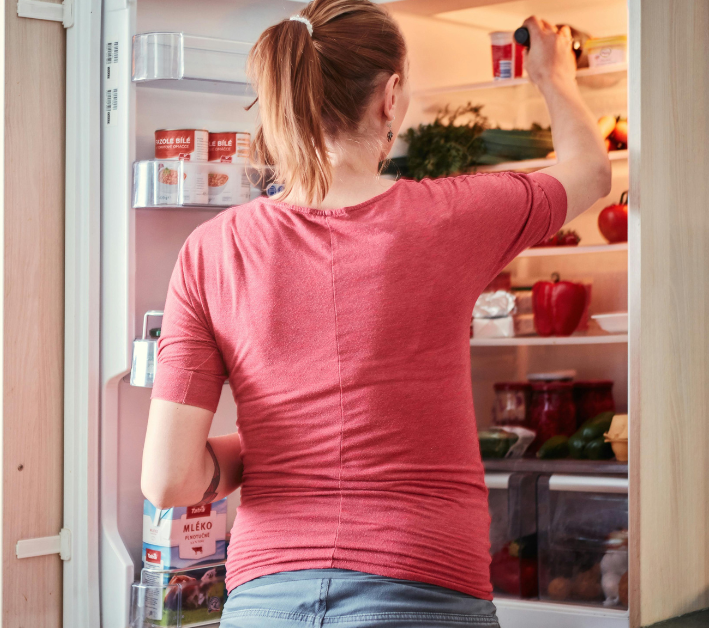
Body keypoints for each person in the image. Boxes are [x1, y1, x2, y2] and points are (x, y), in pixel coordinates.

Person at [140, 0, 612, 625]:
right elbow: (591, 172)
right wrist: (554, 76)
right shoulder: (451, 216)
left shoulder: (211, 249)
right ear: (389, 96)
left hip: (265, 601)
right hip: (422, 589)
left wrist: (277, 446)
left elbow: (168, 480)